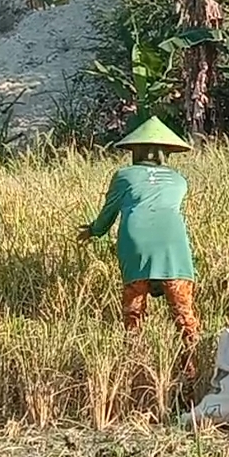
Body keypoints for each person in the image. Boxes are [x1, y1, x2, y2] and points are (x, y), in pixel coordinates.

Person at [77, 116, 201, 378]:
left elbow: (109, 212)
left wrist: (94, 231)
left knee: (134, 310)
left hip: (135, 243)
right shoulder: (179, 180)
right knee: (183, 313)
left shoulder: (123, 176)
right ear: (165, 152)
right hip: (173, 244)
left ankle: (136, 368)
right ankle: (190, 370)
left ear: (135, 150)